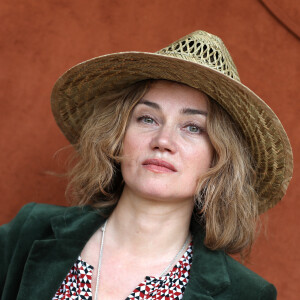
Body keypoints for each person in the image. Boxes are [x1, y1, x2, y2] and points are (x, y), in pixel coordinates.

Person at [0, 30, 293, 300]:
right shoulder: (30, 231)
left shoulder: (247, 295)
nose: (163, 140)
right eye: (147, 119)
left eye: (193, 127)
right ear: (117, 136)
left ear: (219, 158)